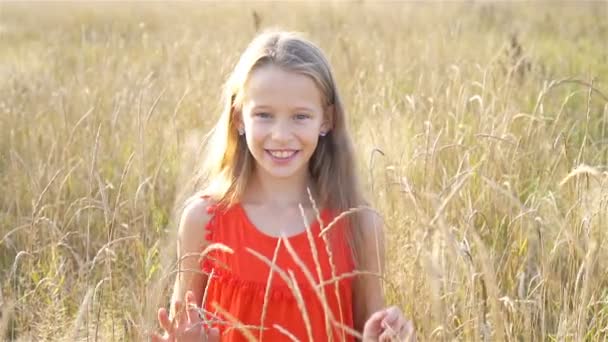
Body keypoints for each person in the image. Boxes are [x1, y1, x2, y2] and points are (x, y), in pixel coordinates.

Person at [152, 30, 415, 342]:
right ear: (238, 118)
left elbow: (368, 329)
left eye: (300, 116)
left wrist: (386, 337)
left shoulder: (358, 225)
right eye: (264, 115)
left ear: (326, 120)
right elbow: (183, 327)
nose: (280, 134)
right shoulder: (204, 220)